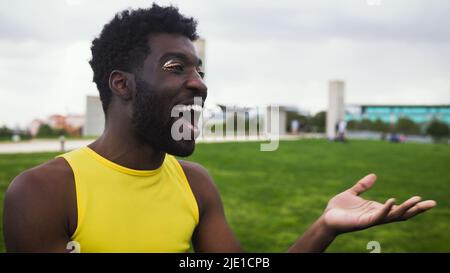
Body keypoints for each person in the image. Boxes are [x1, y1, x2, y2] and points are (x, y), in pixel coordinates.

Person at [3, 4, 436, 253]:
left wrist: (325, 226)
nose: (199, 83)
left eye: (198, 68)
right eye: (176, 67)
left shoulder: (195, 184)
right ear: (122, 84)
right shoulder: (44, 192)